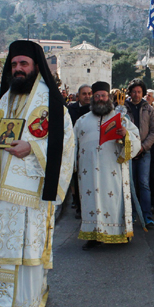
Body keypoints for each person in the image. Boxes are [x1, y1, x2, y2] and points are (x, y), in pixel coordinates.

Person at [0, 40, 75, 307]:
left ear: (36, 66)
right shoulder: (3, 102)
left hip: (29, 196)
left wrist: (33, 147)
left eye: (23, 64)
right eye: (13, 65)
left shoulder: (51, 102)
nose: (18, 69)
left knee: (23, 255)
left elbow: (65, 145)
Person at [75, 81, 141, 249]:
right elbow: (71, 146)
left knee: (114, 201)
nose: (100, 99)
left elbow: (136, 140)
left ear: (109, 98)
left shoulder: (121, 119)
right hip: (88, 171)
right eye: (96, 96)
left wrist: (126, 135)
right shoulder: (81, 121)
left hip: (113, 169)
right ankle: (94, 235)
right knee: (91, 202)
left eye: (103, 95)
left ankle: (120, 233)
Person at [126, 78, 154, 229]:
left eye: (139, 92)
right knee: (129, 184)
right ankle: (130, 215)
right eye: (134, 91)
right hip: (127, 152)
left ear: (143, 93)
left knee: (144, 184)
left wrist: (143, 147)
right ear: (130, 92)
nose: (136, 94)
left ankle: (147, 216)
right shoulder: (123, 108)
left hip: (144, 152)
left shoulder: (149, 108)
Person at [67, 83, 92, 218]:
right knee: (77, 179)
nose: (87, 96)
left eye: (89, 93)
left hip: (90, 148)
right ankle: (79, 206)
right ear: (78, 96)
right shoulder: (71, 109)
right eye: (84, 93)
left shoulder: (95, 110)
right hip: (76, 147)